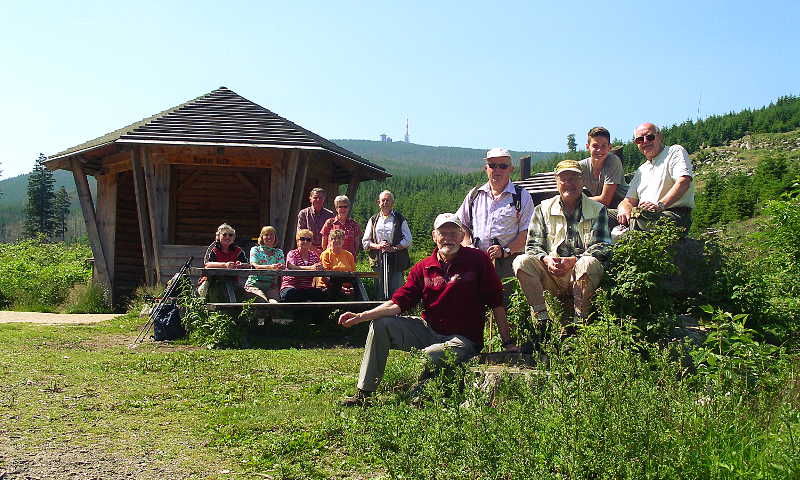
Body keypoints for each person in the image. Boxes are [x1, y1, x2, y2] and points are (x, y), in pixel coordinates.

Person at [338, 213, 518, 406]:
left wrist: (507, 343)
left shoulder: (478, 261)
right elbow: (398, 302)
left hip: (463, 339)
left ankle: (420, 395)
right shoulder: (423, 267)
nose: (448, 237)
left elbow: (496, 302)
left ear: (461, 235)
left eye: (453, 232)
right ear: (434, 236)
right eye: (443, 232)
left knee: (431, 355)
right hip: (428, 330)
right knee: (381, 324)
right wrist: (361, 316)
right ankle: (364, 393)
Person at [513, 160, 611, 343]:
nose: (569, 183)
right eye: (564, 179)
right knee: (521, 261)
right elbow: (532, 246)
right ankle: (542, 324)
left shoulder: (598, 210)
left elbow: (602, 248)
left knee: (587, 261)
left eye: (574, 178)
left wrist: (574, 260)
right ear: (556, 182)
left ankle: (578, 326)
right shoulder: (542, 209)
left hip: (582, 272)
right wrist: (546, 260)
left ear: (582, 181)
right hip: (552, 272)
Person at [456, 147, 534, 304]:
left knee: (507, 305)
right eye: (492, 165)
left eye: (503, 166)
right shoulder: (474, 194)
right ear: (486, 169)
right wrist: (468, 245)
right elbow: (461, 224)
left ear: (511, 169)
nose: (497, 170)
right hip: (476, 260)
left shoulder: (522, 196)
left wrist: (505, 251)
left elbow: (527, 232)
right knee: (474, 305)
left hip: (507, 262)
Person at [615, 123, 695, 232]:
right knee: (603, 214)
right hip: (643, 214)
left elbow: (684, 181)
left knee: (639, 215)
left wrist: (659, 206)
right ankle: (596, 248)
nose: (645, 142)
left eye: (650, 137)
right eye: (640, 140)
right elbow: (628, 201)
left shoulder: (674, 152)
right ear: (636, 143)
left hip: (673, 214)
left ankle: (630, 243)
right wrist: (624, 210)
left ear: (659, 137)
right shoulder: (641, 170)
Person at [362, 190, 412, 299]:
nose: (385, 203)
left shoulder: (399, 218)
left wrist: (394, 248)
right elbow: (365, 242)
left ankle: (396, 314)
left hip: (397, 259)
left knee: (397, 289)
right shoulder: (373, 219)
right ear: (378, 202)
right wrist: (378, 246)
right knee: (379, 290)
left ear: (393, 203)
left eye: (388, 200)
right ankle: (380, 314)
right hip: (378, 260)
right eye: (383, 200)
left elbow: (408, 239)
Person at [198, 223, 251, 302]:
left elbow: (248, 265)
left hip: (232, 281)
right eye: (224, 234)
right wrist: (225, 265)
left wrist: (241, 265)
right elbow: (208, 264)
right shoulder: (214, 250)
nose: (227, 237)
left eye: (230, 235)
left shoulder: (238, 251)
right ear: (218, 237)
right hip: (214, 281)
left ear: (233, 238)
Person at [578, 126, 628, 209]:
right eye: (595, 146)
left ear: (609, 147)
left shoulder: (613, 161)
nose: (599, 150)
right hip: (602, 207)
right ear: (588, 147)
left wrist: (575, 201)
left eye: (603, 146)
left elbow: (605, 200)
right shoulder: (581, 167)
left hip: (623, 205)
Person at [280, 228, 327, 302]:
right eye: (302, 239)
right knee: (292, 295)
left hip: (306, 288)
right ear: (297, 241)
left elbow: (320, 267)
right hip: (291, 287)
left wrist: (320, 267)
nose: (305, 241)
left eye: (308, 240)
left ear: (311, 242)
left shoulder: (313, 255)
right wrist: (311, 268)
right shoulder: (292, 253)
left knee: (324, 295)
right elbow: (291, 267)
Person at [244, 226, 285, 303]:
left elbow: (282, 267)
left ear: (275, 237)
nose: (269, 237)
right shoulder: (255, 250)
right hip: (254, 284)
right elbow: (255, 265)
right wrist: (271, 267)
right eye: (266, 235)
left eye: (271, 235)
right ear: (262, 237)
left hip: (270, 285)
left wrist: (281, 266)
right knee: (262, 301)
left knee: (275, 304)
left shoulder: (279, 252)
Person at [321, 195, 362, 259]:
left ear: (348, 208)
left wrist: (353, 256)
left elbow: (357, 244)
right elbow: (324, 243)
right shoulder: (329, 222)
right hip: (331, 259)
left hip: (348, 259)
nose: (343, 209)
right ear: (336, 208)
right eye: (340, 207)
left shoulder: (354, 224)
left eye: (345, 207)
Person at [320, 229, 357, 299]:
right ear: (330, 240)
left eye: (340, 238)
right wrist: (341, 289)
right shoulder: (326, 254)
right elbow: (325, 276)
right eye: (333, 238)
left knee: (358, 287)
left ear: (343, 241)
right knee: (335, 280)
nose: (337, 240)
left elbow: (354, 273)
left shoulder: (349, 255)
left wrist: (351, 287)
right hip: (330, 286)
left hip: (347, 286)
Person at [297, 187, 335, 253]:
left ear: (324, 199)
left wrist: (325, 250)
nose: (318, 200)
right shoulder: (303, 213)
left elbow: (332, 234)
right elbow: (300, 234)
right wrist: (314, 249)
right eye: (315, 197)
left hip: (325, 250)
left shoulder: (330, 214)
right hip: (307, 249)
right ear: (310, 199)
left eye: (320, 198)